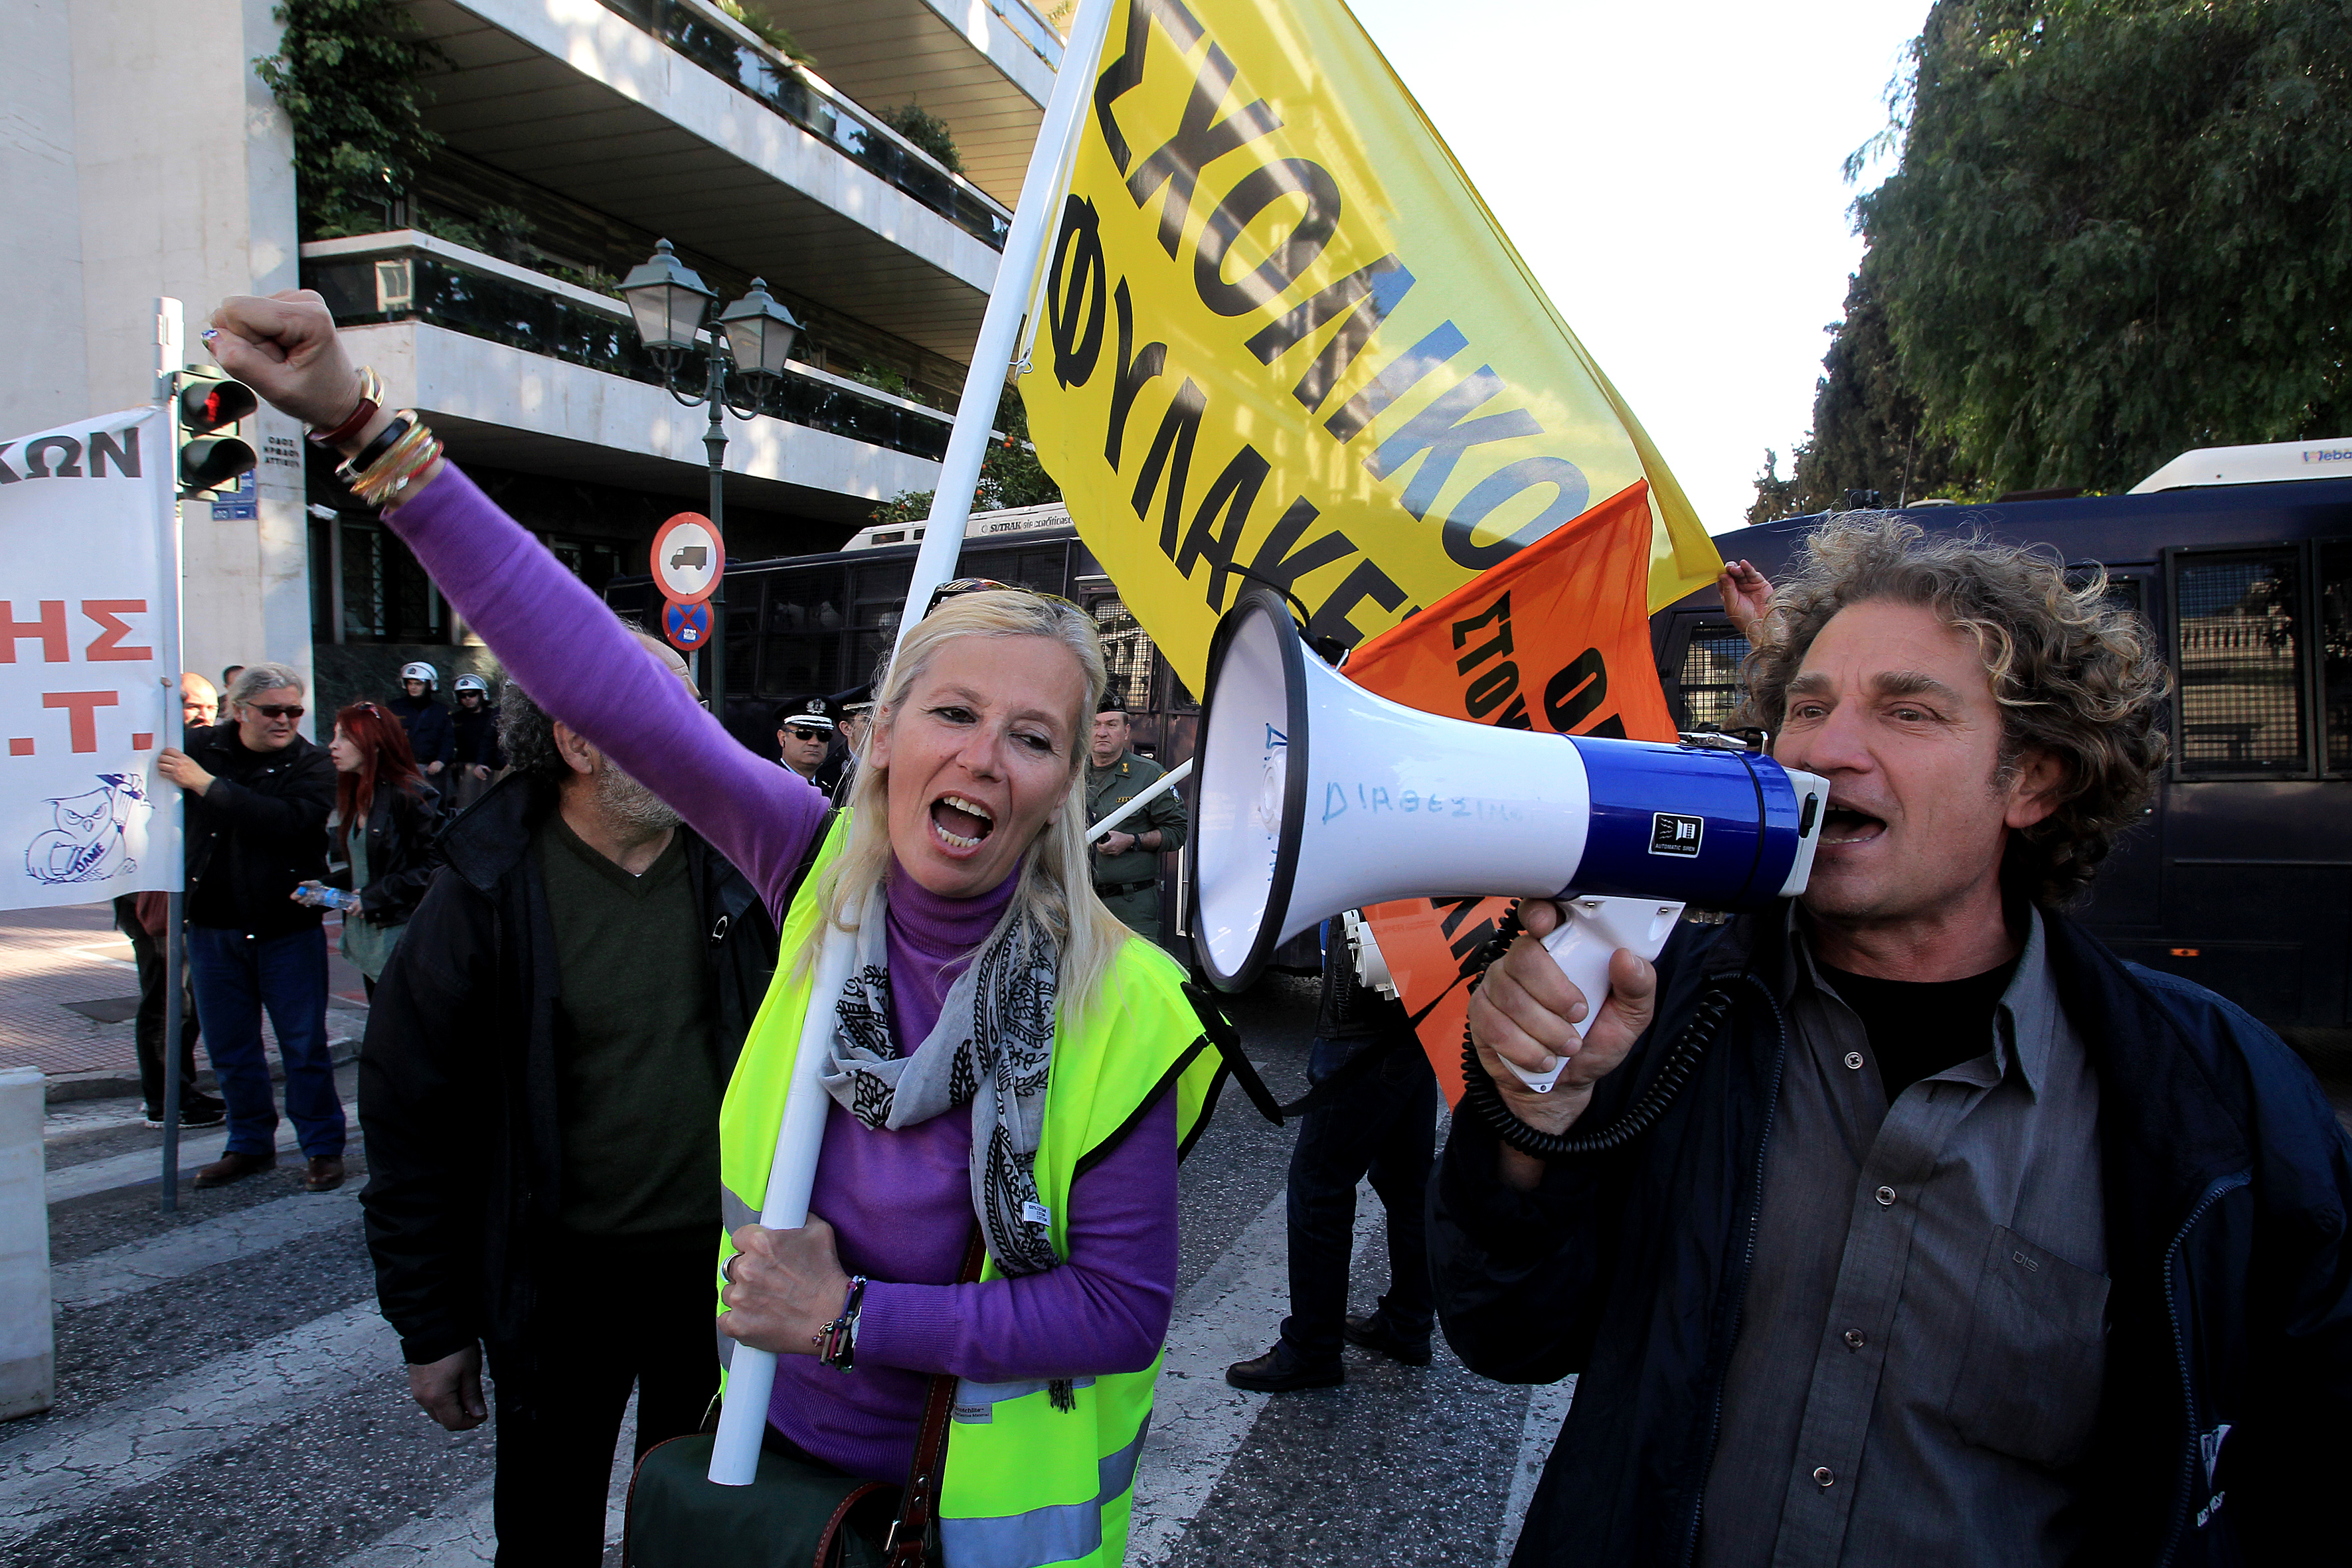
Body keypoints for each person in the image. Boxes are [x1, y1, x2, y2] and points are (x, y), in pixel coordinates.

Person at [208, 288, 1230, 1566]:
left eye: (1031, 737)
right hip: (767, 1473)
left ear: (1066, 780)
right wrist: (362, 426)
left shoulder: (1125, 998)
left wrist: (851, 1317)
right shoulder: (813, 871)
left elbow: (1118, 1311)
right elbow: (595, 676)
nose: (983, 756)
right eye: (951, 713)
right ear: (883, 735)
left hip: (981, 1524)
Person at [1432, 516, 2352, 1565]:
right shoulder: (1660, 1010)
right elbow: (1507, 1334)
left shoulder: (2218, 1095)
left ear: (2033, 782)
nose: (1824, 749)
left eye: (1907, 711)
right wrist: (1532, 1118)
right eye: (1807, 707)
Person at [359, 647, 779, 1562]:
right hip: (556, 1287)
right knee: (548, 1533)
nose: (698, 737)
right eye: (665, 715)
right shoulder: (480, 894)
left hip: (719, 1280)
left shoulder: (747, 867)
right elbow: (408, 1126)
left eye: (697, 709)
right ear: (578, 741)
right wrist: (430, 1326)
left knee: (699, 1535)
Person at [159, 662, 346, 1192]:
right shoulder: (202, 748)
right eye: (273, 711)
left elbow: (287, 821)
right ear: (240, 710)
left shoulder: (312, 763)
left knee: (303, 1043)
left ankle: (322, 1147)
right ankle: (248, 1144)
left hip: (286, 926)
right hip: (214, 926)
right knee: (230, 1045)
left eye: (294, 710)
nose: (286, 720)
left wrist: (207, 787)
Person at [1227, 927, 1438, 1391]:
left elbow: (1378, 912)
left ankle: (1312, 1348)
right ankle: (1408, 1322)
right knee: (1407, 1179)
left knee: (1318, 1188)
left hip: (1363, 1023)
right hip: (1412, 1002)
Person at [112, 672, 229, 1129]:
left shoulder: (208, 757)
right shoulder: (148, 757)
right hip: (151, 895)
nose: (202, 716)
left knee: (190, 1002)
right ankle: (164, 1100)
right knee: (167, 1001)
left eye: (208, 708)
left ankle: (177, 1092)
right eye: (190, 706)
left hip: (192, 894)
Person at [295, 700, 442, 998]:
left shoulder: (411, 794)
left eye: (345, 737)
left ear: (374, 744)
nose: (332, 746)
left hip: (402, 939)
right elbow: (373, 863)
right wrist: (325, 887)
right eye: (335, 735)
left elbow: (438, 866)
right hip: (370, 940)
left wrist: (378, 896)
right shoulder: (360, 791)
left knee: (402, 1033)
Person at [1085, 697, 1187, 946]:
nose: (1102, 732)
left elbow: (1178, 831)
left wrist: (1133, 841)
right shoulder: (1069, 773)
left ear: (1126, 731)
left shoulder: (1150, 775)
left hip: (1131, 908)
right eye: (1095, 725)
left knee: (1133, 976)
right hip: (1078, 903)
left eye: (1111, 725)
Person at [448, 672, 504, 812]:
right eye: (462, 695)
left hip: (490, 768)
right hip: (464, 768)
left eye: (472, 694)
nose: (467, 698)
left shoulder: (493, 715)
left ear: (481, 695)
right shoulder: (455, 719)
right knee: (464, 806)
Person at [391, 661, 456, 778]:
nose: (413, 687)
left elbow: (448, 739)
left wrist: (441, 761)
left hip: (430, 769)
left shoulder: (441, 711)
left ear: (429, 685)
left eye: (418, 684)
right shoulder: (395, 707)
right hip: (401, 769)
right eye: (410, 683)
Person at [772, 697, 835, 786]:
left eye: (823, 736)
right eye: (804, 734)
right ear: (783, 738)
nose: (814, 742)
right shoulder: (765, 784)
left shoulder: (834, 788)